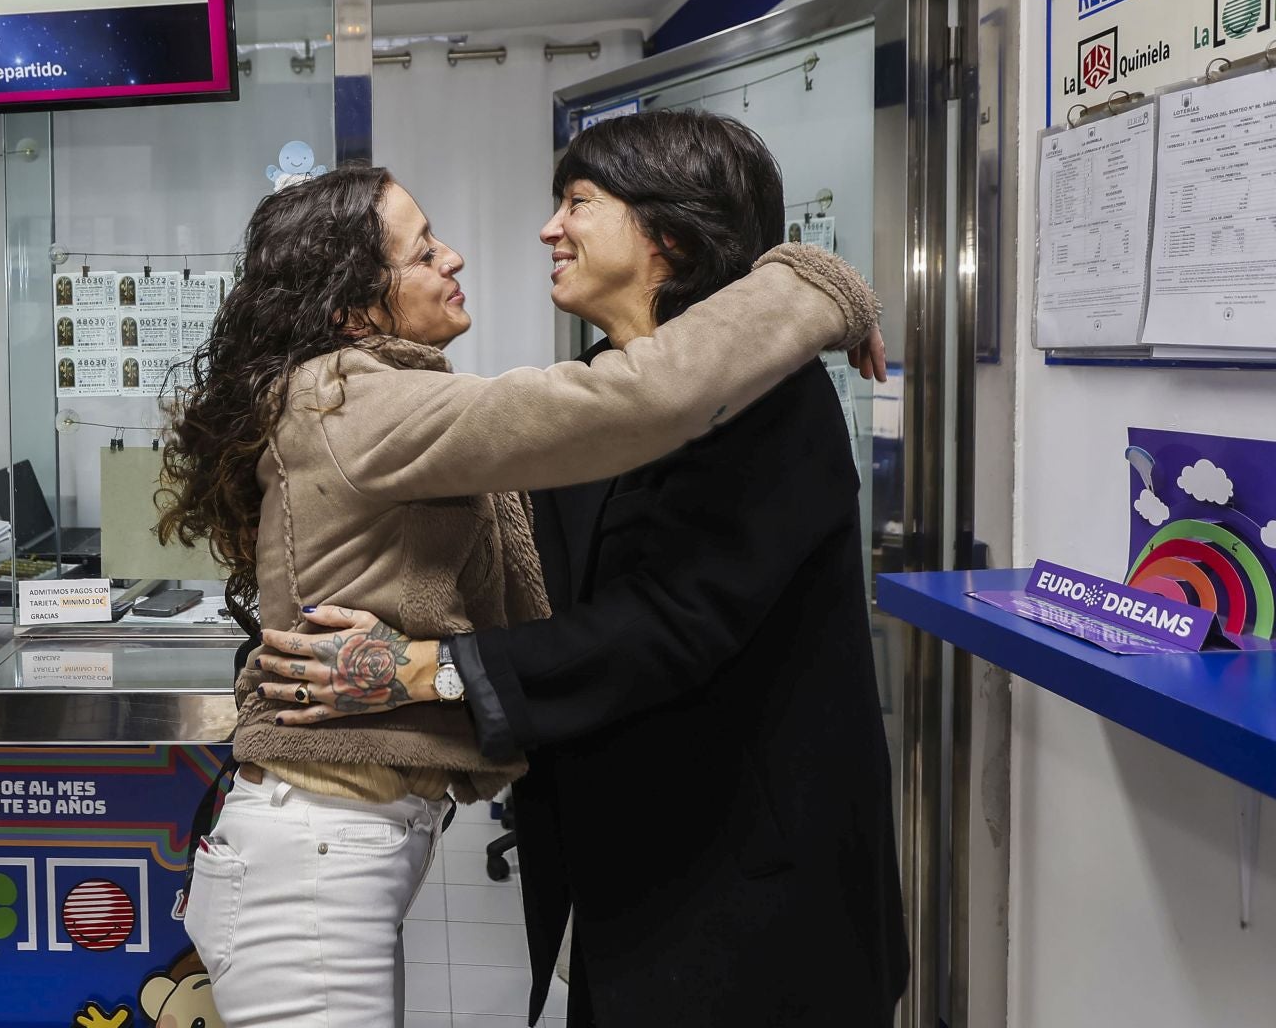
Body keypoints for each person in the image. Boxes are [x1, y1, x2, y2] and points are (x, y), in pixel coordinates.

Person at [158, 162, 882, 1028]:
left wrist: (425, 668)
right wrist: (818, 284)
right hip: (315, 851)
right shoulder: (355, 399)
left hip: (339, 840)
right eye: (425, 252)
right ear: (354, 305)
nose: (455, 258)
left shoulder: (372, 395)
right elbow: (639, 397)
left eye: (577, 204)